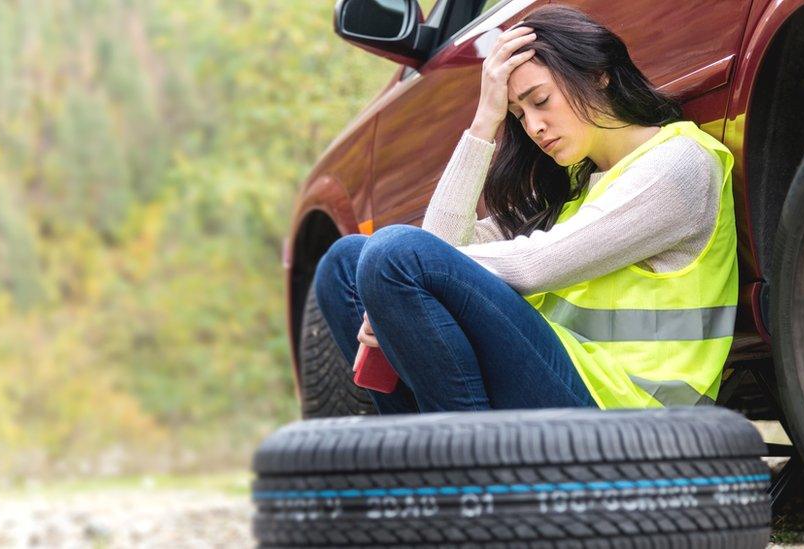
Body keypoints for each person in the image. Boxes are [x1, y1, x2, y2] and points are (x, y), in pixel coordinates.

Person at [314, 5, 737, 414]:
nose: (533, 127)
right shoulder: (573, 190)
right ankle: (431, 466)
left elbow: (532, 265)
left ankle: (470, 470)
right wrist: (484, 121)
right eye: (517, 115)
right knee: (345, 262)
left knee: (392, 254)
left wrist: (407, 272)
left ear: (598, 75)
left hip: (631, 413)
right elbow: (437, 244)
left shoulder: (679, 164)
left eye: (541, 100)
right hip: (564, 386)